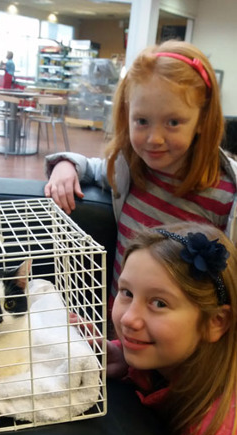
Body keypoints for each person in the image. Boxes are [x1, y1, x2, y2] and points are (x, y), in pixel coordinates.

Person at [43, 40, 237, 314]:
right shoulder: (130, 168)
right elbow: (96, 167)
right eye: (142, 121)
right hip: (123, 324)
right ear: (127, 115)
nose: (154, 139)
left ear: (203, 121)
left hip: (184, 346)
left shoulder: (227, 197)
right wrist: (66, 165)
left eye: (173, 122)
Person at [108, 221, 237, 435]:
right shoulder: (167, 358)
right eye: (127, 293)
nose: (129, 318)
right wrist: (123, 356)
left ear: (215, 322)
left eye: (159, 303)